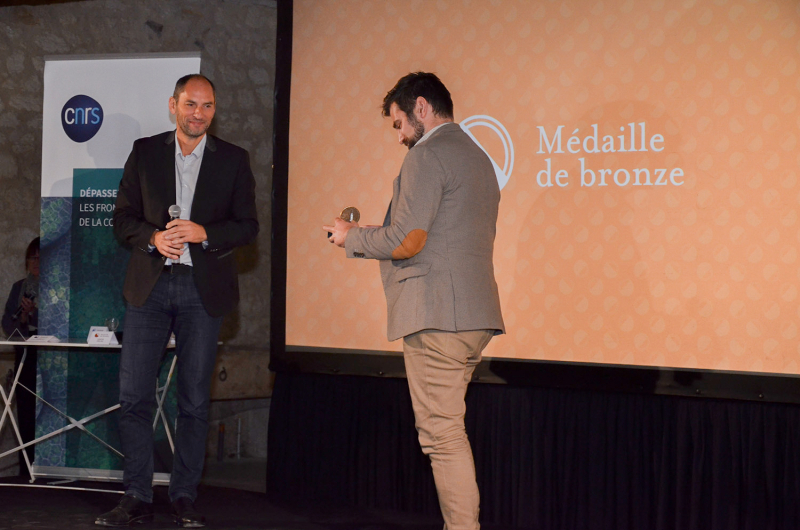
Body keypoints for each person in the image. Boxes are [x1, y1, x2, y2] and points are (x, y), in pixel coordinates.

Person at [323, 72, 505, 530]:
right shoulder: (479, 157)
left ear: (421, 108)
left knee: (442, 435)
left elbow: (408, 240)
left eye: (399, 124)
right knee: (448, 429)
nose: (400, 136)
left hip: (438, 315)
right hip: (473, 315)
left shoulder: (427, 156)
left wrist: (353, 236)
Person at [96, 74, 258, 528]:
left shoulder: (233, 160)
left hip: (201, 291)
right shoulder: (145, 152)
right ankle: (137, 495)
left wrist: (205, 233)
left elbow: (248, 227)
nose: (198, 113)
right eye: (191, 104)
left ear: (213, 110)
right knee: (133, 397)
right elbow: (121, 219)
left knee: (192, 402)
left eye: (207, 106)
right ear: (173, 105)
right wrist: (151, 237)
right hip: (149, 287)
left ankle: (184, 496)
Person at [1, 237, 40, 476]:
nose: (36, 262)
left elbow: (61, 324)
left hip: (53, 356)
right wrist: (24, 318)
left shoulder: (59, 288)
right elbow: (8, 323)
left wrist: (35, 314)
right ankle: (26, 469)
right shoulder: (20, 287)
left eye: (41, 258)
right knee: (25, 410)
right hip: (26, 356)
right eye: (32, 257)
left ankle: (49, 468)